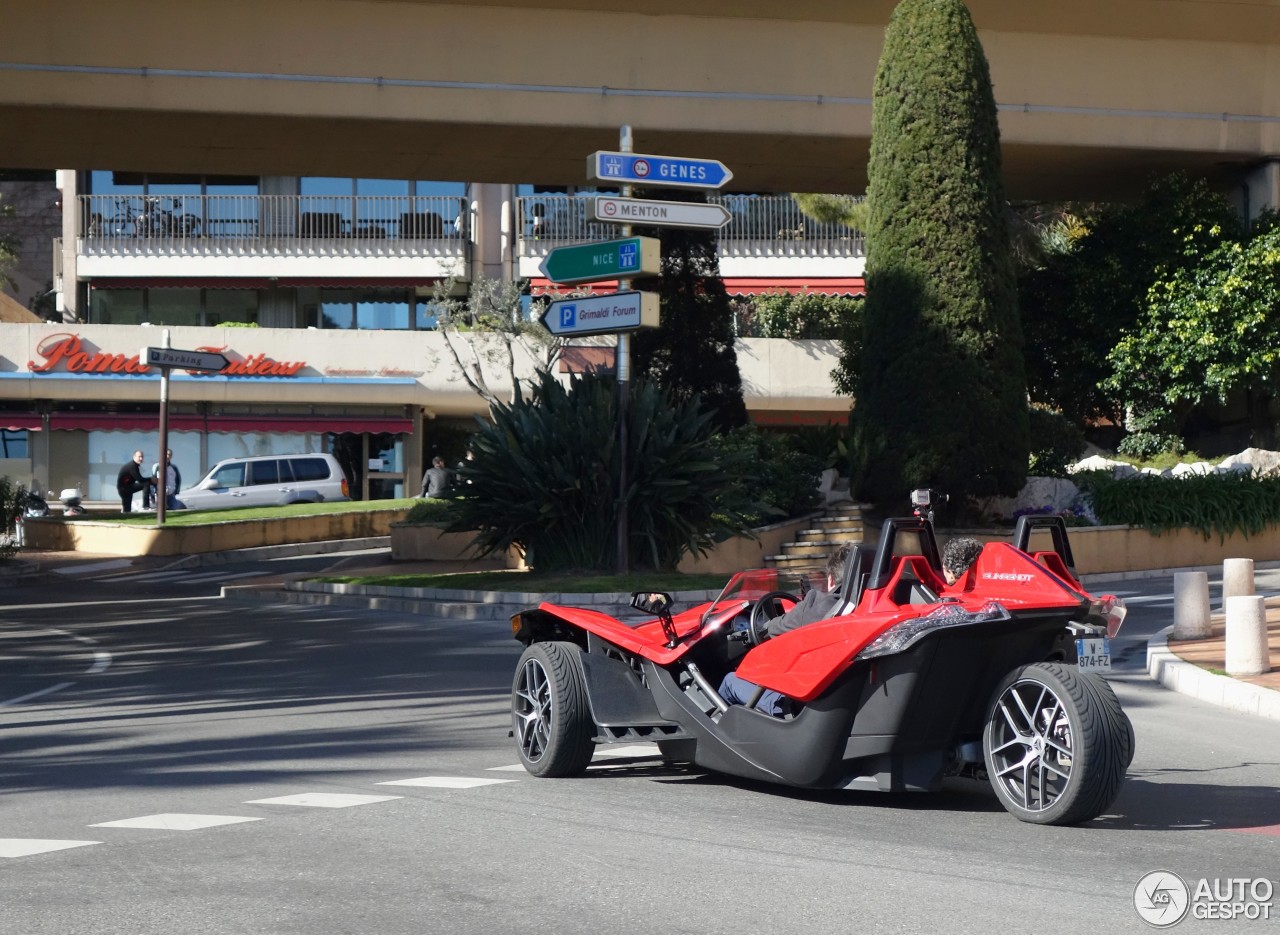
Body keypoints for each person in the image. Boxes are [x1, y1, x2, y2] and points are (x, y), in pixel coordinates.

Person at [718, 541, 857, 717]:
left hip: (797, 706)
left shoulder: (816, 604)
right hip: (841, 701)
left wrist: (756, 630)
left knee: (730, 681)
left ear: (831, 579)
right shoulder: (862, 610)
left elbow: (770, 630)